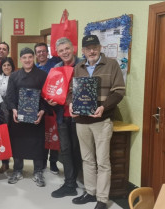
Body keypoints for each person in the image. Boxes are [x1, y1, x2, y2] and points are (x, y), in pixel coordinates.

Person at [69, 35, 125, 209]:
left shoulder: (112, 65)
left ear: (100, 48)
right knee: (87, 159)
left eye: (94, 47)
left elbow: (119, 92)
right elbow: (71, 91)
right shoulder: (78, 67)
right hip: (81, 120)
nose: (91, 51)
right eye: (88, 48)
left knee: (102, 161)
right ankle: (90, 192)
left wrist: (104, 107)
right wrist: (70, 103)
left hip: (102, 119)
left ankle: (102, 198)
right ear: (83, 51)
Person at [6, 47, 48, 187]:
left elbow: (46, 97)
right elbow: (10, 97)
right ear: (20, 59)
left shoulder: (42, 75)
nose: (27, 60)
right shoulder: (14, 76)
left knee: (37, 144)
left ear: (34, 58)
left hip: (36, 117)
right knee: (18, 144)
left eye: (30, 57)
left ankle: (38, 172)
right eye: (24, 58)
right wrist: (13, 110)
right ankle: (17, 170)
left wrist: (42, 111)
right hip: (19, 117)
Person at [48, 37, 83, 198]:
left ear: (73, 48)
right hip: (62, 115)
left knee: (77, 149)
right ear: (57, 53)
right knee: (66, 149)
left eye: (67, 49)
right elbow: (52, 89)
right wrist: (50, 99)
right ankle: (69, 183)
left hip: (80, 116)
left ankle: (73, 180)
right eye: (61, 51)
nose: (64, 53)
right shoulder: (56, 67)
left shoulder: (83, 65)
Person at [34, 42, 60, 174]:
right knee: (43, 135)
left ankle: (53, 162)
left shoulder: (55, 64)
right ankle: (42, 161)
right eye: (38, 52)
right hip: (40, 106)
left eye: (43, 51)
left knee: (54, 134)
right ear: (36, 54)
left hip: (55, 105)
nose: (41, 53)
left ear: (47, 52)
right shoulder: (34, 68)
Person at [0, 57, 16, 173]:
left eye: (8, 65)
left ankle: (17, 163)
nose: (6, 67)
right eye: (4, 65)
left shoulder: (16, 76)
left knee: (15, 136)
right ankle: (5, 162)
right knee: (3, 136)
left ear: (12, 66)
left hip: (14, 108)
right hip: (1, 109)